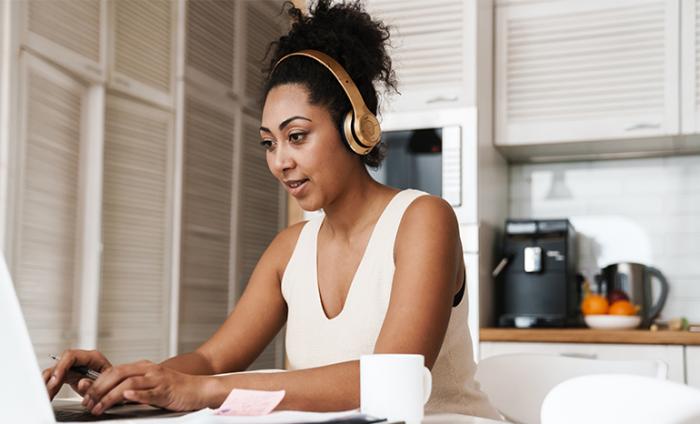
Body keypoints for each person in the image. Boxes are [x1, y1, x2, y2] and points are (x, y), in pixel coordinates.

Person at [42, 0, 500, 419]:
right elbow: (211, 361)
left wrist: (205, 391)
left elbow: (390, 382)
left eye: (297, 135)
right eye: (269, 143)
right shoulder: (288, 250)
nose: (280, 161)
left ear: (356, 128)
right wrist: (133, 383)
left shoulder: (423, 220)